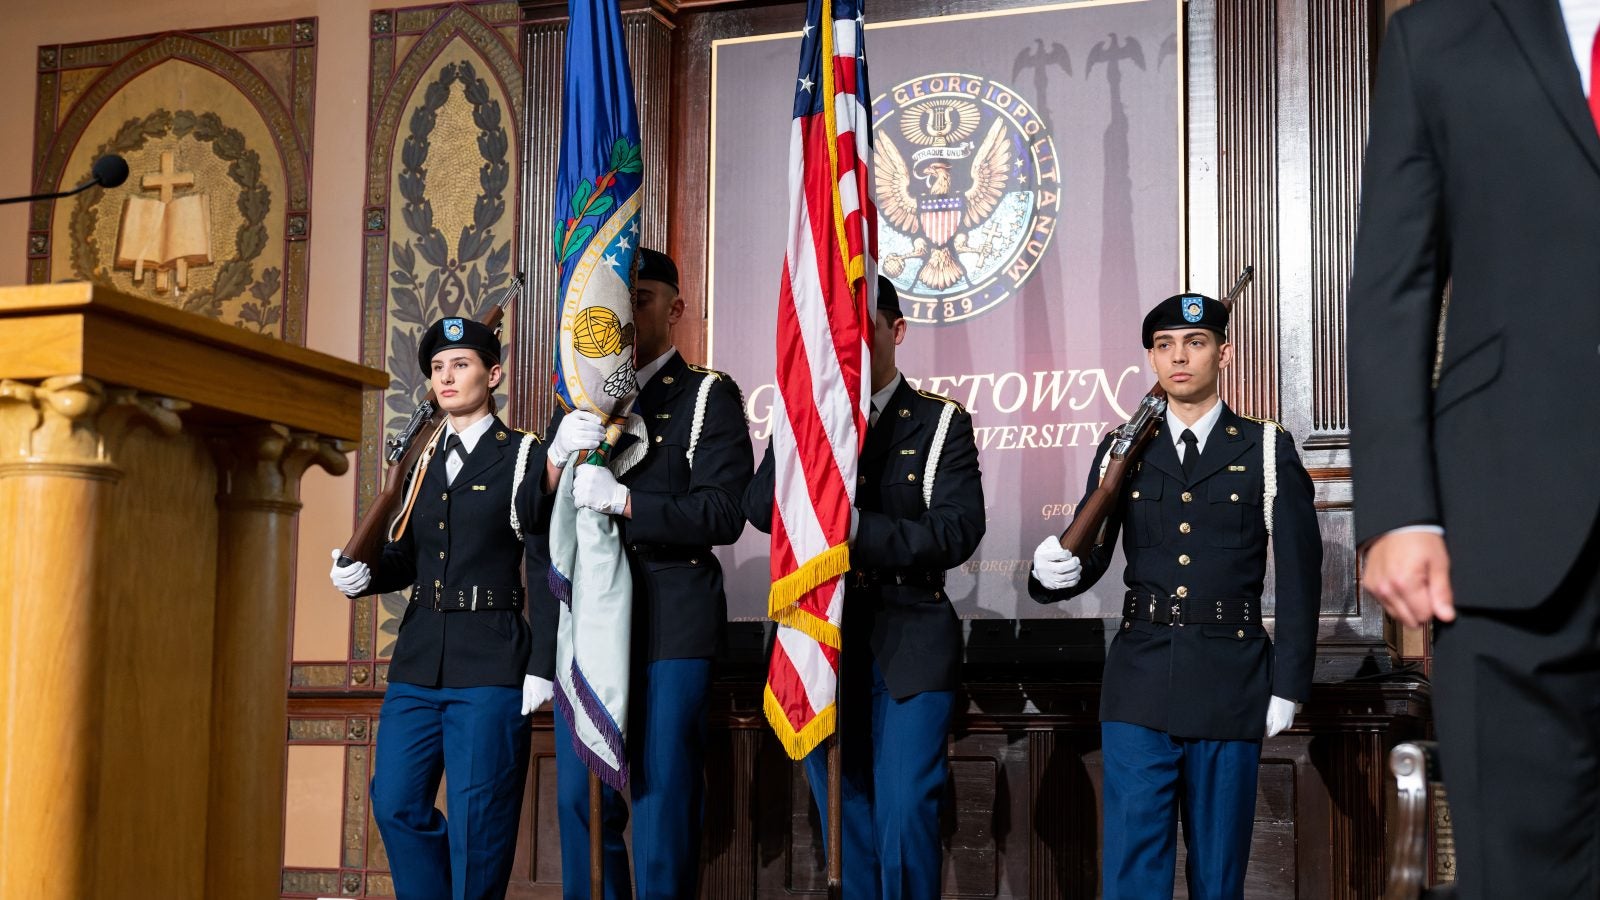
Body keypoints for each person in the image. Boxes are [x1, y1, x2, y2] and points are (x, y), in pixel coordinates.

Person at [1347, 2, 1600, 896]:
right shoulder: (1437, 36)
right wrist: (1398, 509)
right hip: (1508, 526)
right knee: (1523, 874)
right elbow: (1393, 281)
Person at [1029, 294, 1321, 899]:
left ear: (1223, 353)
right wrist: (1049, 569)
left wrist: (1289, 683)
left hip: (1229, 679)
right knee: (1134, 871)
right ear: (1151, 359)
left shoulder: (1265, 447)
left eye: (1195, 343)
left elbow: (1300, 573)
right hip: (1139, 680)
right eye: (1164, 345)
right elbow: (1091, 556)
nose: (1179, 357)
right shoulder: (1123, 447)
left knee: (1218, 876)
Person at [328, 317, 599, 899]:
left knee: (480, 826)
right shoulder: (421, 461)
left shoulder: (526, 455)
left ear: (493, 374)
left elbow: (543, 554)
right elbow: (405, 556)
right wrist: (362, 573)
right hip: (419, 661)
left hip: (491, 663)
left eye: (461, 364)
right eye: (437, 369)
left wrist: (541, 661)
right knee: (395, 801)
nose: (446, 377)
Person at [744, 276, 986, 899]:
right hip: (823, 632)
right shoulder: (806, 417)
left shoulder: (939, 422)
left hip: (909, 634)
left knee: (905, 812)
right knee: (844, 818)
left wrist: (856, 529)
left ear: (895, 331)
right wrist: (801, 440)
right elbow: (754, 505)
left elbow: (957, 530)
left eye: (860, 326)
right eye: (834, 330)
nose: (845, 342)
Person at [541, 247, 754, 899]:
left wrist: (628, 501)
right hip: (589, 625)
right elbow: (535, 530)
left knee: (661, 802)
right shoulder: (579, 404)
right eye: (616, 302)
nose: (625, 316)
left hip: (669, 622)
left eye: (640, 300)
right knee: (581, 800)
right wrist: (553, 463)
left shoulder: (707, 396)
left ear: (674, 308)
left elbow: (723, 512)